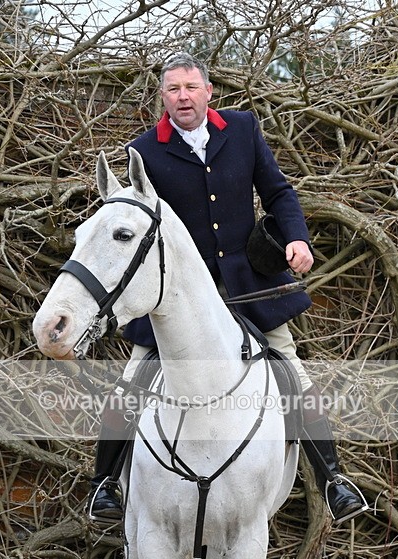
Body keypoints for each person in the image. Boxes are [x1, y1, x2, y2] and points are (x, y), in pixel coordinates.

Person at [88, 52, 366, 524]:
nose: (183, 97)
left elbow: (278, 191)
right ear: (163, 97)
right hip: (178, 297)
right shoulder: (145, 152)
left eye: (191, 87)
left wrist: (297, 237)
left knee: (292, 372)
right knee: (132, 381)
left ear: (208, 90)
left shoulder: (242, 129)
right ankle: (105, 485)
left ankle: (333, 478)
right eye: (173, 89)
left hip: (248, 283)